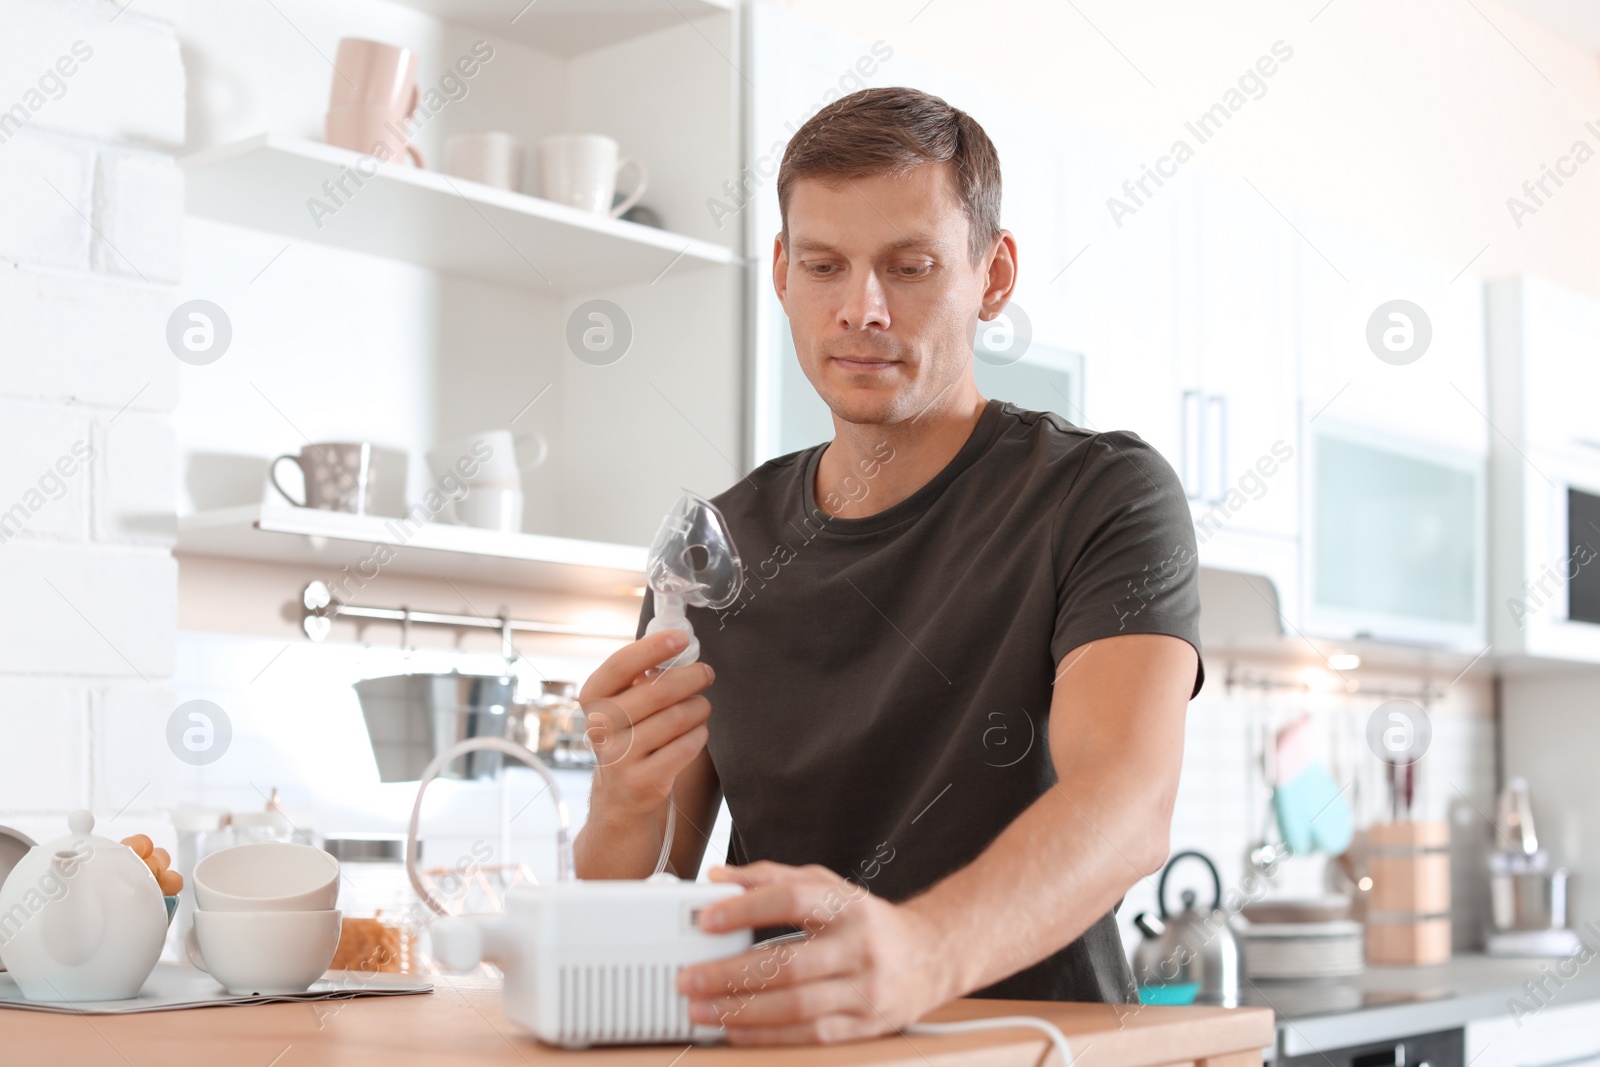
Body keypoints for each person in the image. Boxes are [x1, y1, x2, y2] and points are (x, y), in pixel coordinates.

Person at [572, 85, 1203, 1046]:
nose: (861, 309)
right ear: (781, 272)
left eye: (910, 268)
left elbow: (1127, 807)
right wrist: (621, 797)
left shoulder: (1102, 496)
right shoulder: (718, 544)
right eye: (824, 265)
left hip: (1039, 1048)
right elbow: (633, 900)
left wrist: (921, 953)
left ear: (993, 276)